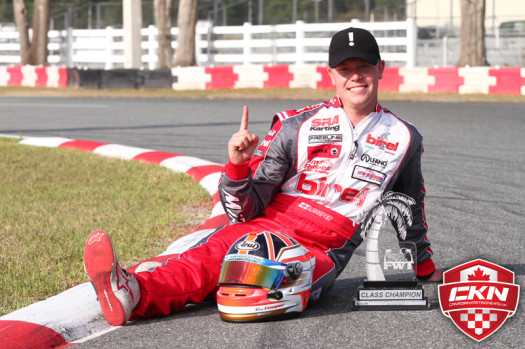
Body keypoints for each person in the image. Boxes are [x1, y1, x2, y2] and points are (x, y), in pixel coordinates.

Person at [84, 27, 443, 327]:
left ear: (381, 68)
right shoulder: (295, 126)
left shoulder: (404, 137)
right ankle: (132, 291)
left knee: (259, 284)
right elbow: (244, 210)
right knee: (211, 257)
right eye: (345, 69)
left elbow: (410, 206)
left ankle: (154, 282)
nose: (355, 76)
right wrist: (238, 165)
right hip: (264, 227)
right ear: (331, 74)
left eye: (363, 66)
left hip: (320, 249)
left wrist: (423, 266)